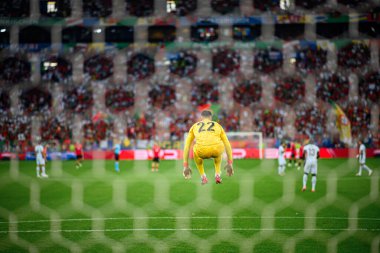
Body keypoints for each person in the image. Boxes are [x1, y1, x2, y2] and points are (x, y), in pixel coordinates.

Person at [183, 110, 234, 184]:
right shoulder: (217, 125)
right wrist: (230, 163)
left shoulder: (194, 126)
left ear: (201, 117)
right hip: (216, 151)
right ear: (210, 117)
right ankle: (217, 175)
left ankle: (203, 176)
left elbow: (187, 146)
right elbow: (227, 144)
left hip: (201, 152)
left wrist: (185, 165)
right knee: (219, 147)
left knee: (194, 149)